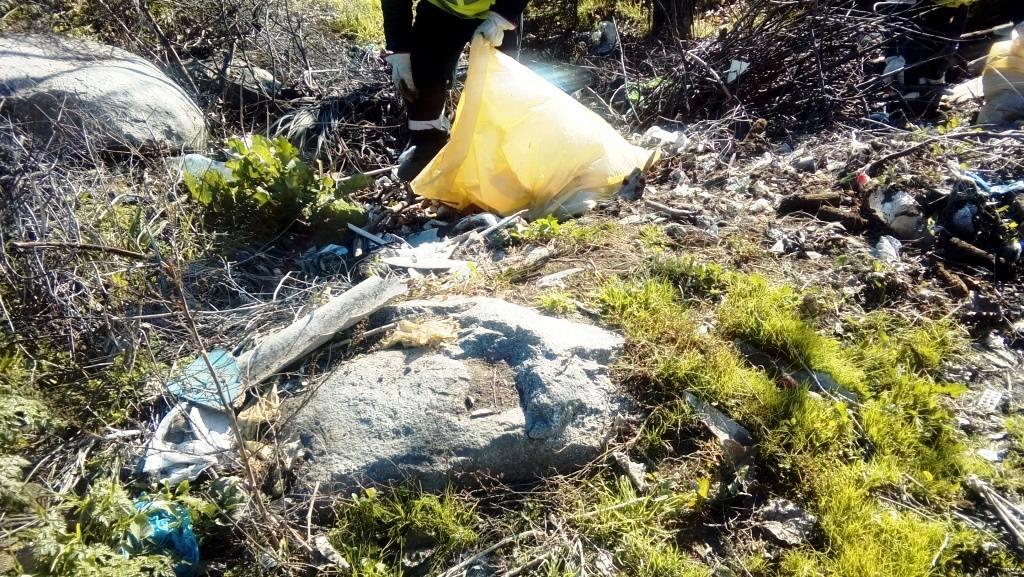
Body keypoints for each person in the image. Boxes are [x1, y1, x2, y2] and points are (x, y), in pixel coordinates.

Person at [381, 0, 529, 181]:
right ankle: (427, 149)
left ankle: (494, 158)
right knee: (421, 76)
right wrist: (400, 49)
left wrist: (502, 18)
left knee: (500, 85)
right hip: (440, 7)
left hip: (496, 8)